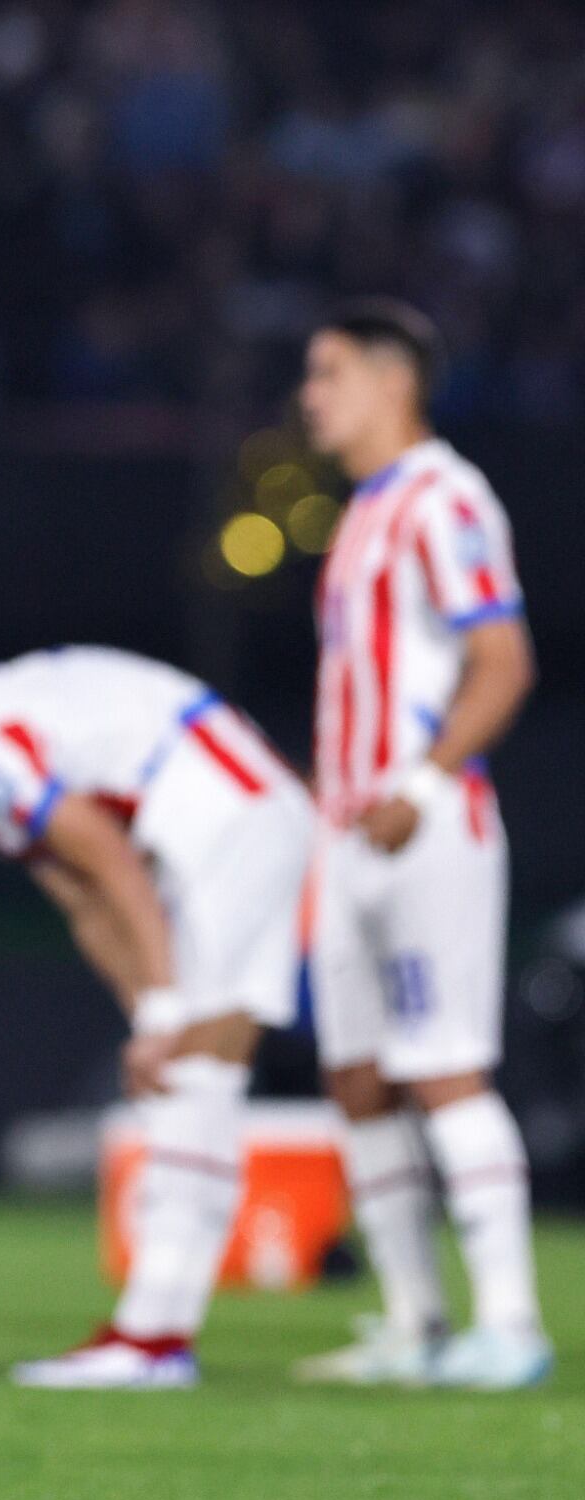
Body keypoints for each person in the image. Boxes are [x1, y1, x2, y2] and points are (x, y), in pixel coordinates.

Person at [0, 646, 312, 1388]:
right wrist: (147, 1011)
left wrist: (164, 1012)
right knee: (192, 1070)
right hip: (220, 815)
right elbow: (85, 904)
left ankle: (155, 1338)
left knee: (198, 1070)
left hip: (223, 814)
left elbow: (109, 859)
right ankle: (154, 1332)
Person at [291, 300, 550, 1391]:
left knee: (443, 1064)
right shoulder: (359, 514)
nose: (310, 394)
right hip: (351, 831)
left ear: (392, 381)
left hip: (424, 823)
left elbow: (502, 658)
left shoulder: (445, 497)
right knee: (356, 1077)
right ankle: (415, 1319)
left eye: (328, 372)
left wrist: (420, 779)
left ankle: (511, 1321)